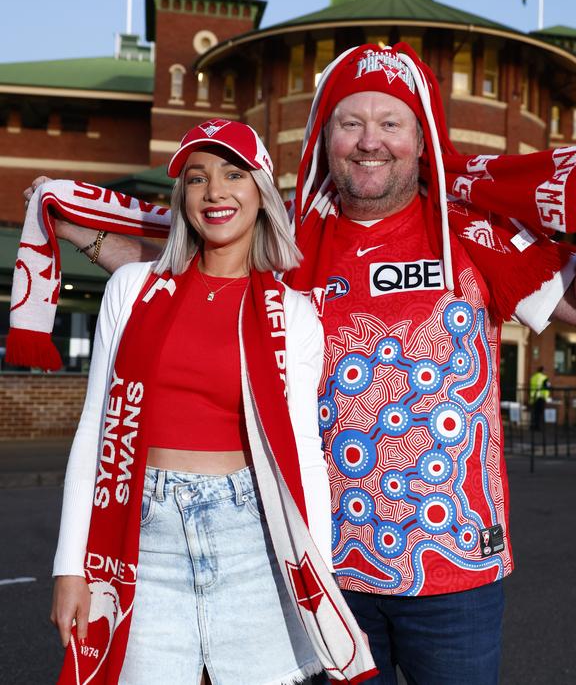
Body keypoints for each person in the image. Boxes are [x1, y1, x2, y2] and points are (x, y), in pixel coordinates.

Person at [25, 44, 576, 685]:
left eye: (390, 123)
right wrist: (91, 237)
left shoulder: (470, 229)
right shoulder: (292, 241)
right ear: (325, 137)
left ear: (422, 139)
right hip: (320, 571)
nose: (371, 141)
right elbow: (190, 286)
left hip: (458, 573)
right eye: (351, 123)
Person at [45, 119, 376, 684]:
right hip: (138, 535)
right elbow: (96, 431)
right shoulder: (133, 289)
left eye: (233, 174)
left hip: (254, 536)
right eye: (196, 179)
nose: (214, 191)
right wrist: (70, 567)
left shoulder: (293, 314)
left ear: (261, 191)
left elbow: (302, 450)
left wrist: (319, 577)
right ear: (183, 198)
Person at [529, 366, 551, 431]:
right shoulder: (545, 378)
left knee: (534, 413)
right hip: (541, 397)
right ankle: (539, 427)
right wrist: (546, 397)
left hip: (533, 397)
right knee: (540, 413)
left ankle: (533, 426)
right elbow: (546, 389)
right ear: (543, 371)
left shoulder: (533, 377)